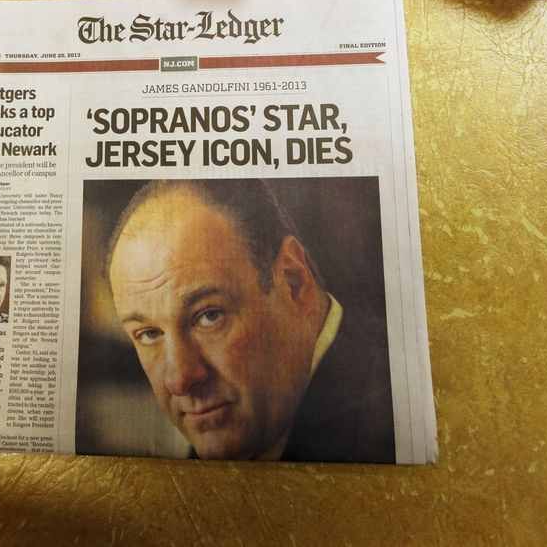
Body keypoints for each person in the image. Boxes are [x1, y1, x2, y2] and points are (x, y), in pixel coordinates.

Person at [107, 180, 395, 462]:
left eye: (209, 316)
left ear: (294, 282)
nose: (179, 379)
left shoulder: (389, 417)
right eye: (148, 334)